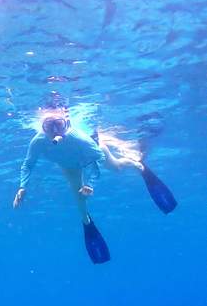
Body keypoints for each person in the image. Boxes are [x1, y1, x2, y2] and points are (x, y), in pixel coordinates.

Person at [13, 110, 175, 264]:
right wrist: (22, 186)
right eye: (49, 126)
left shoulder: (80, 139)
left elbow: (96, 160)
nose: (55, 131)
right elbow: (28, 164)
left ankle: (136, 164)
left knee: (116, 167)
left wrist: (90, 184)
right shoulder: (38, 141)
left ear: (67, 123)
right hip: (68, 165)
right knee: (79, 199)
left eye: (59, 125)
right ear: (43, 127)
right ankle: (86, 221)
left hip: (92, 154)